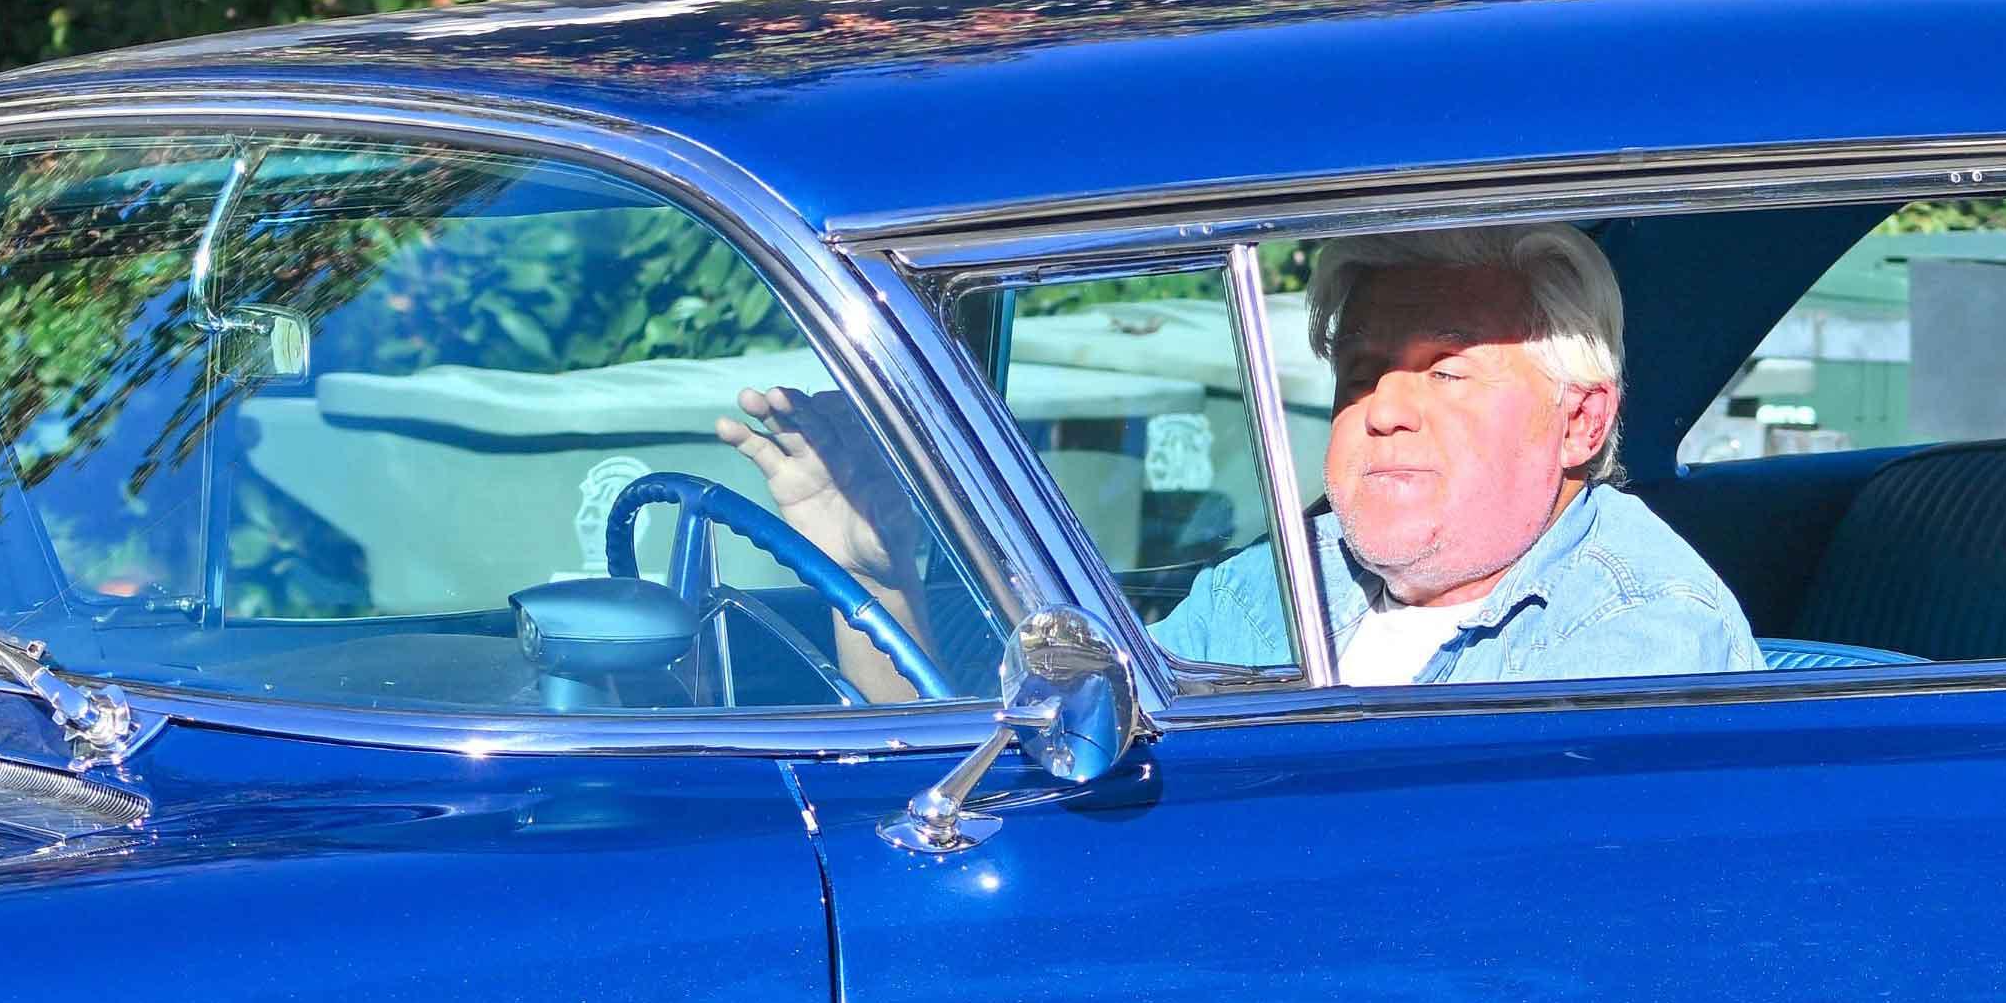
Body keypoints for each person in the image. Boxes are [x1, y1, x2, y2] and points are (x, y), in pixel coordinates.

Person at [725, 222, 1755, 697]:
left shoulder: (1634, 637)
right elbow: (1036, 768)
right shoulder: (1287, 581)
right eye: (1359, 373)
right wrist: (874, 571)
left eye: (1444, 373)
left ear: (1578, 425)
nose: (1383, 412)